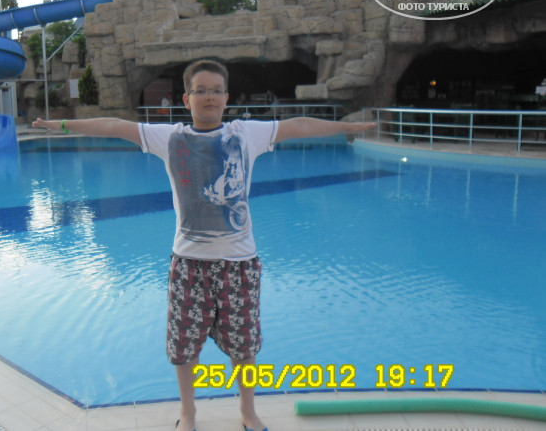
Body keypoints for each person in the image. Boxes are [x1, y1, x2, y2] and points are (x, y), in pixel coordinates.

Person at [33, 60, 376, 431]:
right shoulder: (171, 138)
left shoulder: (246, 134)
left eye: (216, 90)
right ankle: (189, 413)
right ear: (187, 98)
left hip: (240, 264)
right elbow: (115, 126)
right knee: (183, 347)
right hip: (189, 263)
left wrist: (346, 127)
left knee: (244, 348)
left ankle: (247, 413)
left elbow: (299, 126)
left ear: (226, 97)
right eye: (200, 91)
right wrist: (61, 125)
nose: (209, 97)